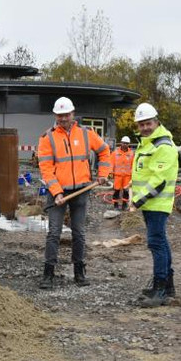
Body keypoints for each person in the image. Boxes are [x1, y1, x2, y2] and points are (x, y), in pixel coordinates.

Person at [37, 96, 111, 289]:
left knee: (79, 232)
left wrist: (103, 173)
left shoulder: (86, 134)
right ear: (55, 115)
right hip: (58, 193)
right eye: (60, 115)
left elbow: (104, 151)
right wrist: (57, 191)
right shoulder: (47, 138)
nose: (63, 119)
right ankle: (48, 273)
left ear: (73, 114)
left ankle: (79, 272)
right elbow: (46, 168)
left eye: (66, 115)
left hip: (81, 190)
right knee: (54, 233)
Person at [130, 102, 179, 308]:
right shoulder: (148, 143)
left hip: (157, 203)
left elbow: (159, 180)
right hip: (151, 204)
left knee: (156, 243)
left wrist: (137, 200)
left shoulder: (163, 146)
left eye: (148, 123)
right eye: (141, 125)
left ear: (156, 121)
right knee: (161, 242)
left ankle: (160, 288)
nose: (144, 128)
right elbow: (145, 172)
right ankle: (167, 286)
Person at [111, 136, 134, 210]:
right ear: (121, 143)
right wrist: (110, 173)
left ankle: (124, 205)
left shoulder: (131, 154)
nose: (125, 144)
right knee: (116, 190)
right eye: (123, 143)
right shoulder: (115, 153)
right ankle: (115, 205)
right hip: (118, 175)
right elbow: (111, 163)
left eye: (126, 143)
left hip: (127, 176)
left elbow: (133, 165)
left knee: (126, 191)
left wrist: (133, 175)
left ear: (128, 144)